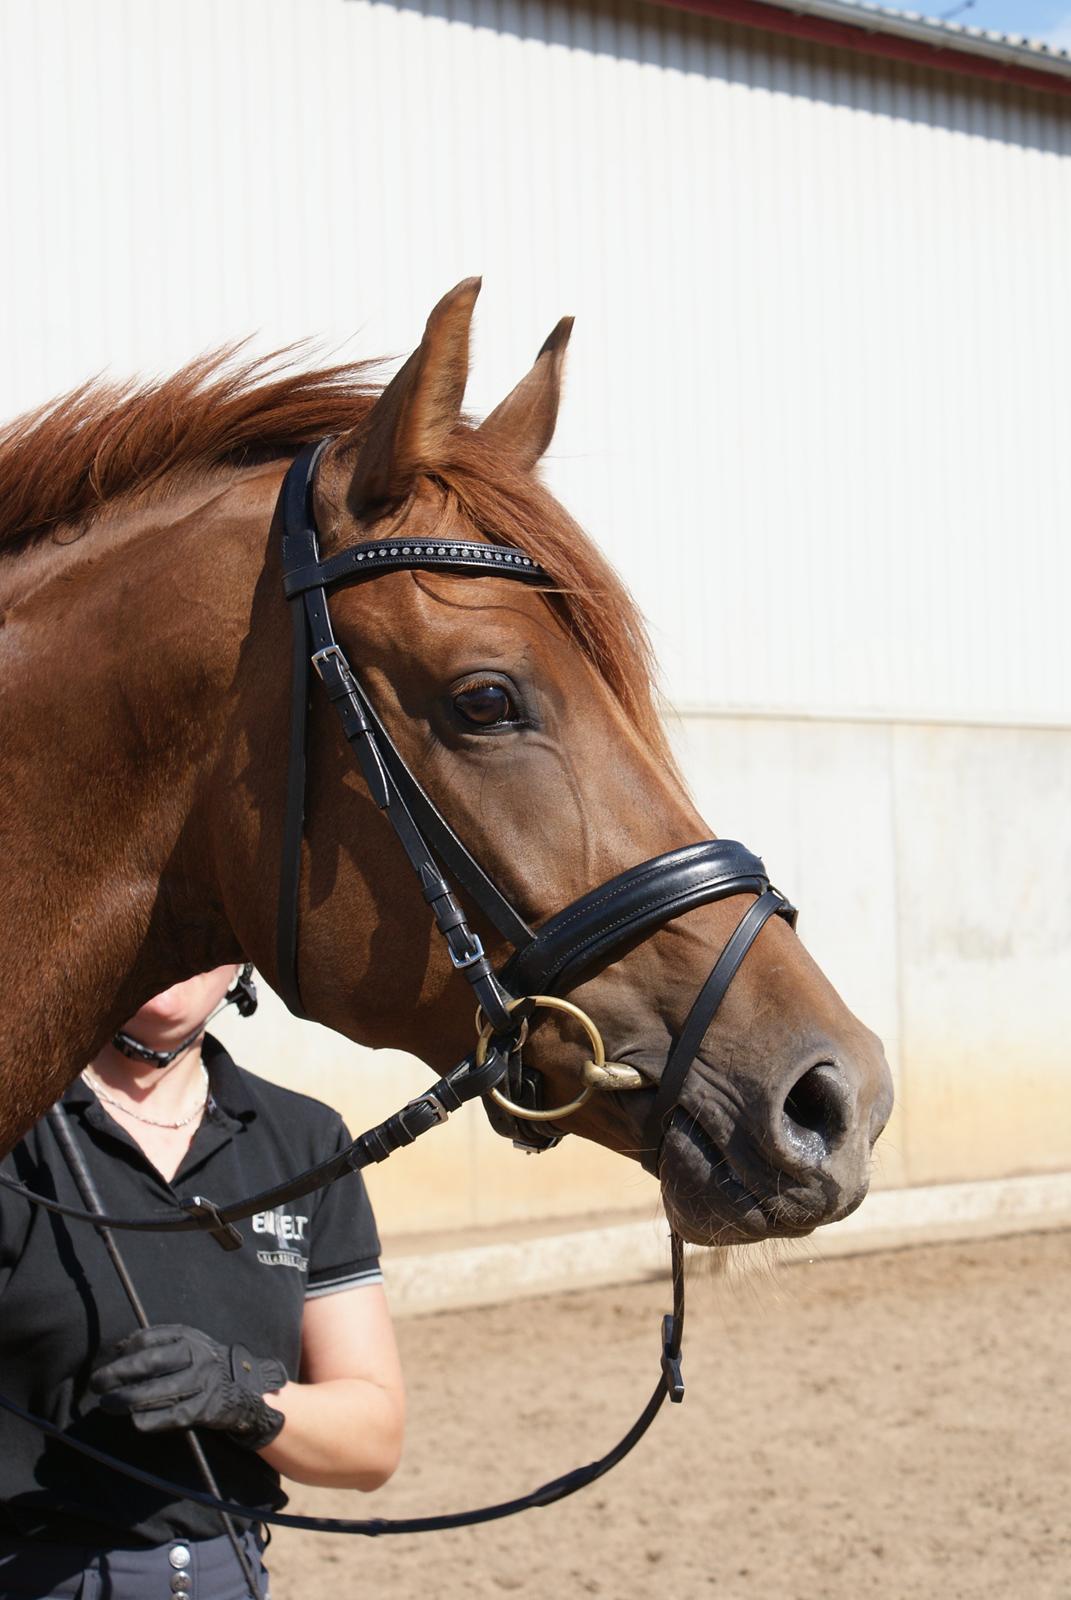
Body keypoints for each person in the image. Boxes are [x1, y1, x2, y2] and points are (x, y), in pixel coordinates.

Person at [0, 965, 405, 1599]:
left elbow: (373, 1441)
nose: (178, 950)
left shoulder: (306, 1141)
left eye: (202, 926)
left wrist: (241, 1397)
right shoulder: (12, 1125)